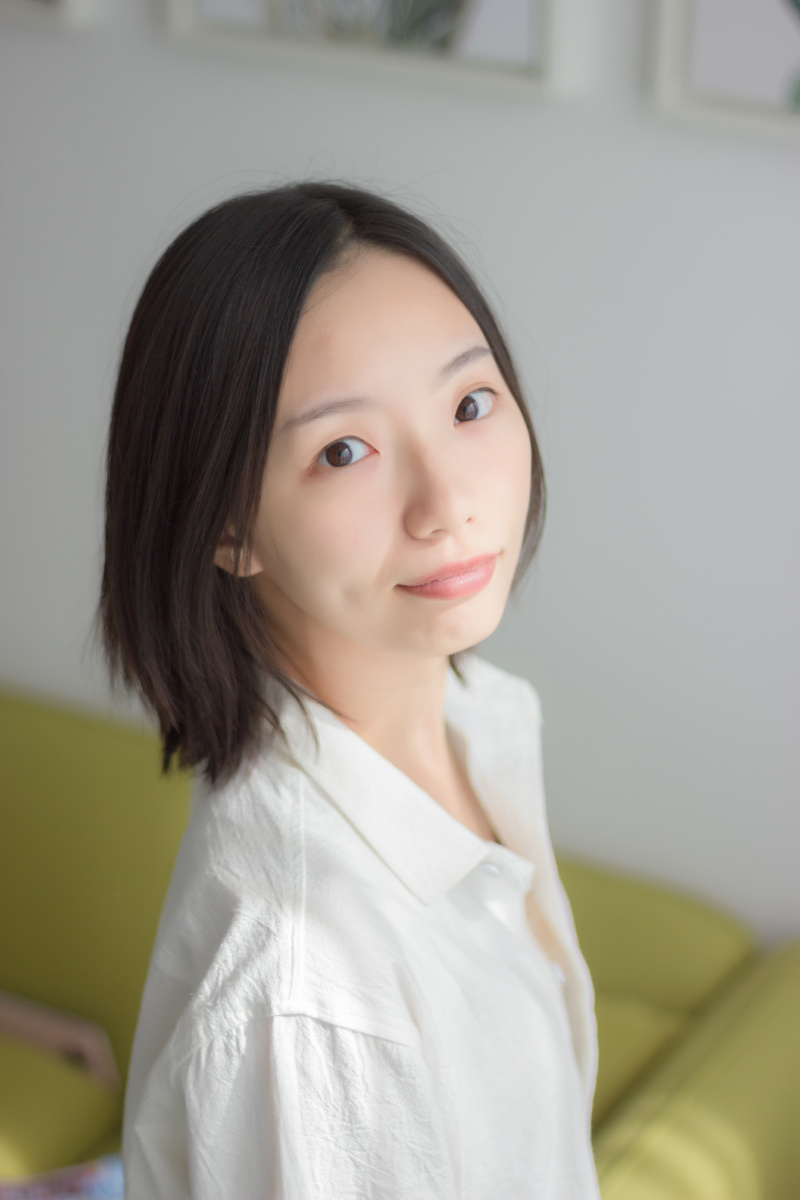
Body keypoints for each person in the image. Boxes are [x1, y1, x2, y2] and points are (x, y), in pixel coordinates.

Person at [98, 181, 600, 1199]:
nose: (446, 502)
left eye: (469, 404)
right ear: (225, 524)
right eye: (344, 451)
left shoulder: (477, 721)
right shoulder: (307, 986)